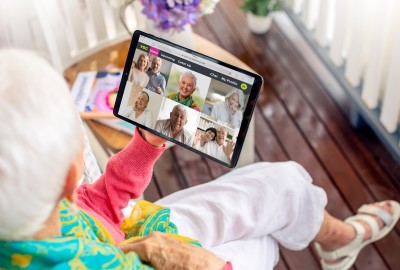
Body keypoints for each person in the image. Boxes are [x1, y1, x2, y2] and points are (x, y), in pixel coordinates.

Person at [1, 50, 399, 270]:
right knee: (267, 236)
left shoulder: (34, 219)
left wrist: (145, 145)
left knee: (284, 188)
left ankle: (336, 244)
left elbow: (99, 208)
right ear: (71, 176)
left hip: (135, 232)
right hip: (160, 251)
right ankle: (337, 242)